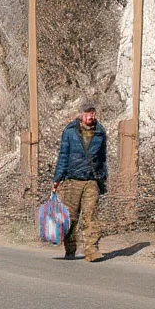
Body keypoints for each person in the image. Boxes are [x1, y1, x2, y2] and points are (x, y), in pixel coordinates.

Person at [52, 99, 108, 262]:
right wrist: (57, 178)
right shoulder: (69, 132)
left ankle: (92, 250)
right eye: (87, 113)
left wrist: (103, 179)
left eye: (92, 113)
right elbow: (63, 156)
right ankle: (70, 249)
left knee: (91, 215)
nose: (90, 116)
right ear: (81, 114)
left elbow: (102, 159)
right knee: (71, 217)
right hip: (72, 181)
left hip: (91, 180)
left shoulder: (100, 132)